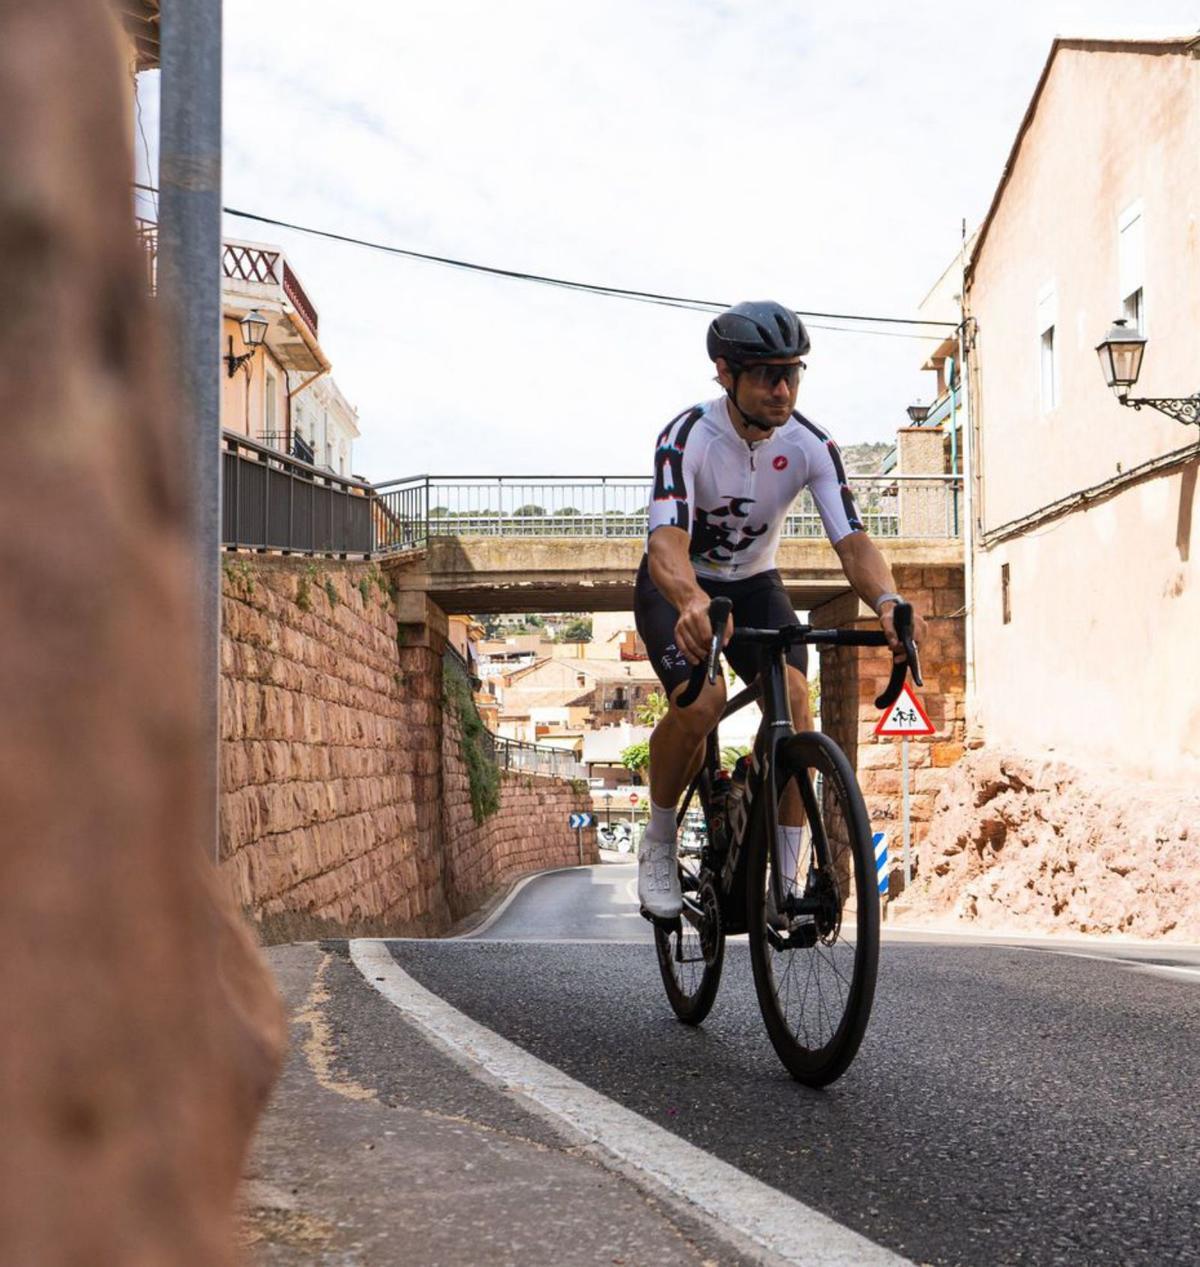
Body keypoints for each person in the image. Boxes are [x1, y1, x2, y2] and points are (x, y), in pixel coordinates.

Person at [633, 300, 927, 917]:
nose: (783, 388)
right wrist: (690, 601)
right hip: (682, 584)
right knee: (704, 702)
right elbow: (666, 542)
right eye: (767, 374)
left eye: (792, 372)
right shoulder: (686, 437)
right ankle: (658, 842)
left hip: (758, 583)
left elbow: (852, 539)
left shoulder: (811, 444)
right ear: (725, 373)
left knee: (796, 712)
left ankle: (784, 879)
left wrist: (888, 600)